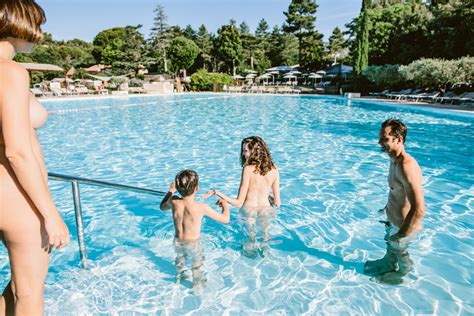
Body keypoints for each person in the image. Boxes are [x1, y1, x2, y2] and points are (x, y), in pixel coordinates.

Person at [0, 1, 70, 315]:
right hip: (16, 198)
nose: (39, 32)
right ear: (17, 22)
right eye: (36, 23)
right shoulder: (10, 73)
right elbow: (17, 151)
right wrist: (50, 213)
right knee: (29, 294)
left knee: (13, 292)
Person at [364, 119, 425, 284]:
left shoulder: (406, 166)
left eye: (384, 139)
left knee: (401, 252)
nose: (379, 142)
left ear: (398, 139)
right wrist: (387, 209)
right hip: (393, 221)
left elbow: (419, 209)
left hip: (403, 226)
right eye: (380, 138)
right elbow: (397, 193)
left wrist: (401, 234)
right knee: (390, 248)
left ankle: (404, 277)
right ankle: (388, 263)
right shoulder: (394, 161)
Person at [204, 136, 280, 258]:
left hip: (249, 210)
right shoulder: (275, 170)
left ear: (254, 151)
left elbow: (239, 203)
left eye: (245, 150)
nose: (243, 154)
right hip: (266, 209)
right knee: (265, 236)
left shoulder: (248, 169)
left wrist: (219, 193)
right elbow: (277, 203)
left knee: (250, 238)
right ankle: (265, 254)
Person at [160, 169, 230, 290]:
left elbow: (162, 207)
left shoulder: (174, 201)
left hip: (178, 241)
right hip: (193, 243)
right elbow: (225, 219)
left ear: (178, 187)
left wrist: (171, 191)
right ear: (196, 188)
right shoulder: (201, 207)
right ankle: (197, 286)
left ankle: (181, 275)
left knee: (180, 258)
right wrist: (225, 204)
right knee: (196, 265)